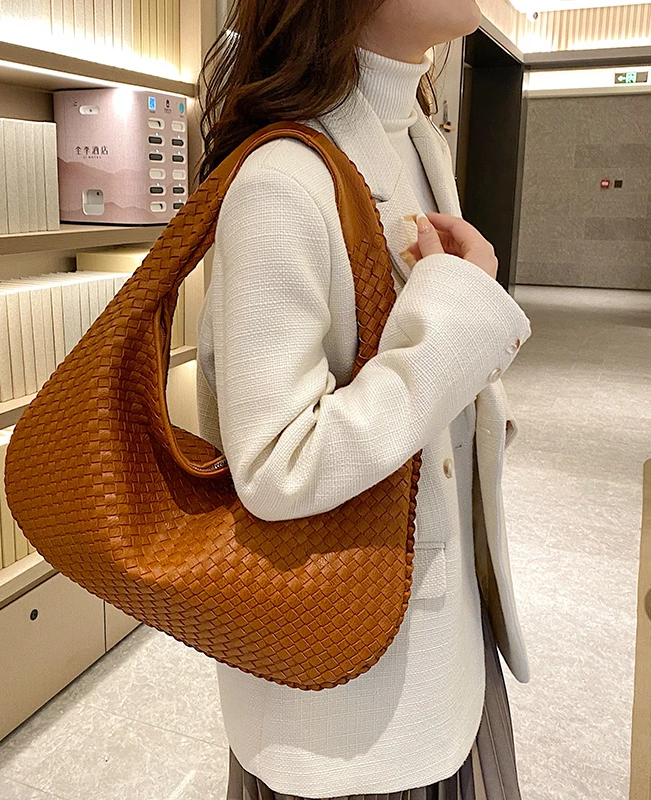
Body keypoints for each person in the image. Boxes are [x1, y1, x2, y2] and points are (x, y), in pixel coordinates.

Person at [194, 0, 532, 798]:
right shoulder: (284, 177)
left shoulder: (418, 138)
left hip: (445, 637)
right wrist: (460, 317)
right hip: (354, 680)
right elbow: (279, 464)